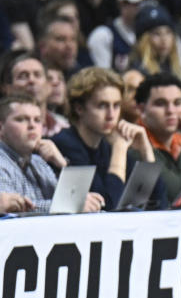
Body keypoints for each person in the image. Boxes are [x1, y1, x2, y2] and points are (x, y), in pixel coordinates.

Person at [53, 67, 168, 211]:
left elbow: (159, 203)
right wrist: (119, 149)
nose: (111, 114)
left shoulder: (106, 145)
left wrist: (146, 152)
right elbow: (109, 207)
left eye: (116, 105)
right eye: (102, 106)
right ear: (79, 108)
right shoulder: (65, 144)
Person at [0, 95, 102, 214]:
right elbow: (10, 212)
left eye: (37, 120)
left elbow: (72, 200)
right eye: (21, 119)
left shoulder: (38, 161)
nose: (32, 126)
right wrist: (72, 205)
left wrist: (62, 164)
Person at [136, 73, 181, 203]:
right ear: (141, 110)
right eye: (161, 103)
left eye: (177, 103)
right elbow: (179, 194)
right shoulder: (134, 149)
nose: (171, 110)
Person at [87, 0, 157, 73]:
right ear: (121, 4)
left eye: (150, 1)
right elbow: (102, 79)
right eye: (139, 3)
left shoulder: (162, 32)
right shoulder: (104, 36)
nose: (146, 7)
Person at [130, 3, 181, 82]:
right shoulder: (138, 73)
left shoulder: (177, 69)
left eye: (168, 32)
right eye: (156, 33)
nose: (164, 40)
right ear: (144, 40)